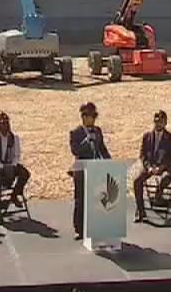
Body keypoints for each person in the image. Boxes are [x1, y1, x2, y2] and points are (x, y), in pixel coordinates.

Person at [69, 101, 112, 239]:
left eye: (93, 116)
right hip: (82, 169)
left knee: (97, 199)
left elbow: (102, 148)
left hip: (96, 168)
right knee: (80, 199)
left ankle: (95, 226)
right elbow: (75, 151)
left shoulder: (98, 131)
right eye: (88, 116)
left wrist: (109, 162)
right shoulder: (76, 132)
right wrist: (86, 141)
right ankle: (79, 229)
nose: (91, 119)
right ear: (83, 117)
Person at [133, 110, 171, 222]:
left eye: (161, 121)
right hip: (150, 167)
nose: (158, 123)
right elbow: (142, 155)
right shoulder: (147, 137)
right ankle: (141, 211)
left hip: (164, 167)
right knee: (137, 181)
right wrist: (148, 167)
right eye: (156, 121)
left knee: (166, 177)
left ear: (165, 122)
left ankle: (158, 194)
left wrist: (161, 167)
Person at [0, 111, 30, 216]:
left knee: (25, 174)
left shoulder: (14, 138)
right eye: (3, 123)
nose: (6, 125)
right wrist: (2, 167)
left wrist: (13, 166)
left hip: (11, 165)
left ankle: (14, 196)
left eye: (7, 122)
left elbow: (17, 155)